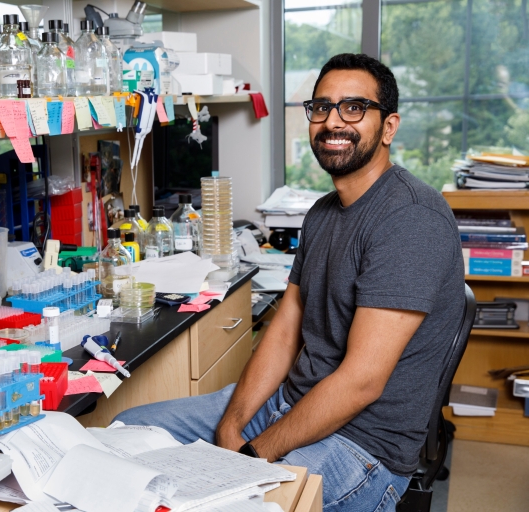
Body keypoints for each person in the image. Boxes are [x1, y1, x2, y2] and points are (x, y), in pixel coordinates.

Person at [113, 53, 465, 512]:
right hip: (289, 403)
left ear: (389, 127)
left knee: (227, 505)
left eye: (353, 108)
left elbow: (361, 382)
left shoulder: (410, 220)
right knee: (125, 432)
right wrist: (231, 426)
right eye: (321, 107)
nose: (333, 122)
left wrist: (251, 455)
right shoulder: (322, 213)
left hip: (362, 446)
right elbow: (285, 329)